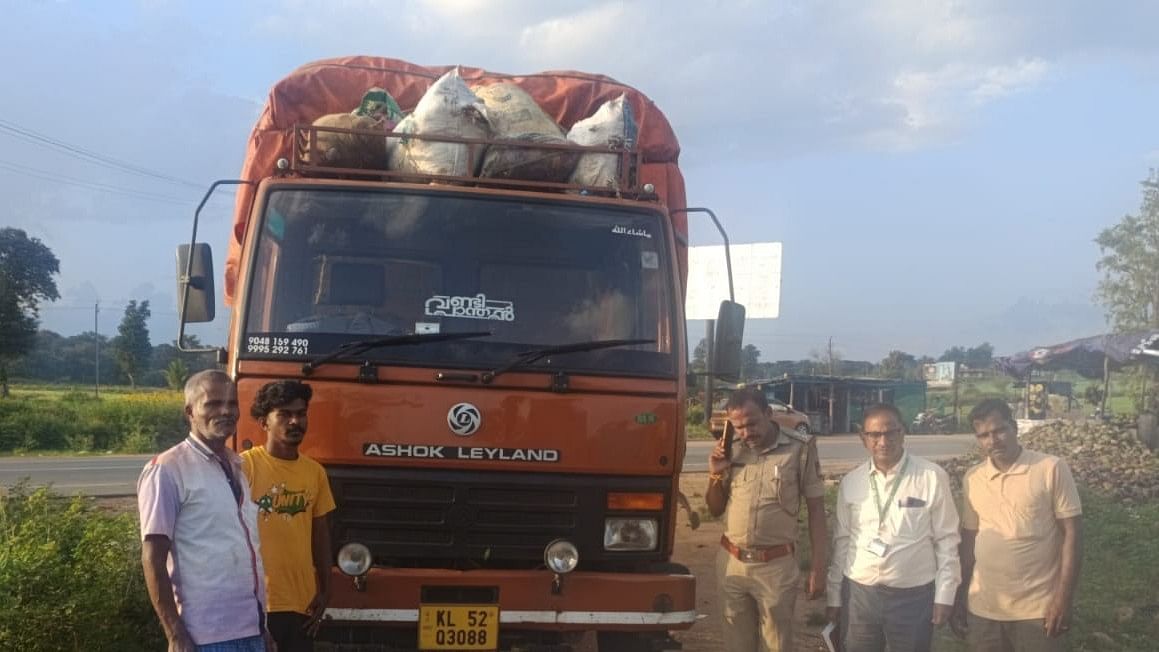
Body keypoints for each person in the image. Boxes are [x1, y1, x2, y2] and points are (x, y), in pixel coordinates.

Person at [138, 370, 272, 652]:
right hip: (204, 637)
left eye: (232, 403)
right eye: (212, 404)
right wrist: (174, 634)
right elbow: (153, 557)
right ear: (190, 411)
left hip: (252, 630)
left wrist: (263, 629)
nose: (225, 411)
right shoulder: (167, 469)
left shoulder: (237, 466)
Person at [826, 403, 960, 652]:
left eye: (891, 432)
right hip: (860, 594)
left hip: (914, 595)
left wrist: (945, 595)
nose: (883, 441)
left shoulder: (931, 477)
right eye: (874, 435)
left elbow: (947, 540)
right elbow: (842, 541)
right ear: (863, 438)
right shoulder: (851, 482)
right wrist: (835, 595)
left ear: (903, 433)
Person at [951, 399, 1083, 650]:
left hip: (1037, 609)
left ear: (1014, 427)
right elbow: (969, 540)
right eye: (984, 435)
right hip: (983, 608)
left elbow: (1073, 534)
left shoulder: (1050, 468)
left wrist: (1063, 599)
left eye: (999, 430)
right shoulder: (973, 477)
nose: (993, 440)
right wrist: (959, 597)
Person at [706, 387, 828, 652]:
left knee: (777, 645)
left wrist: (819, 568)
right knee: (737, 645)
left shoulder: (800, 450)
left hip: (776, 568)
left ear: (769, 413)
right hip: (732, 565)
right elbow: (714, 509)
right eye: (738, 427)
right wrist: (716, 474)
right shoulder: (732, 450)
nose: (746, 433)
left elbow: (817, 510)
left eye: (752, 424)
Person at [242, 380, 336, 652]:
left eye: (301, 413)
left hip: (302, 602)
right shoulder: (245, 467)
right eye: (284, 414)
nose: (295, 421)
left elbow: (320, 534)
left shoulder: (315, 473)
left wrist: (326, 589)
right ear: (264, 422)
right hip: (257, 602)